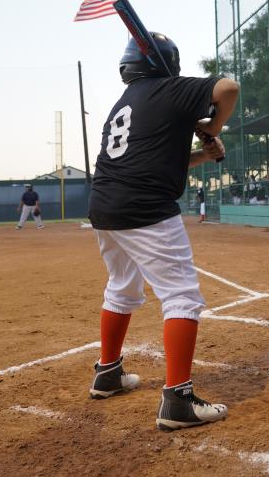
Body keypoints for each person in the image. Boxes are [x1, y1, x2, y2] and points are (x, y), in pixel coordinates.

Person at [87, 29, 239, 431]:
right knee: (182, 296)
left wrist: (202, 155)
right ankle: (178, 400)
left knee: (121, 287)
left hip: (106, 206)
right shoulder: (169, 90)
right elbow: (228, 88)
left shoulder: (126, 103)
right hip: (146, 208)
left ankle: (108, 374)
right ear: (166, 65)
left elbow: (155, 160)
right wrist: (214, 127)